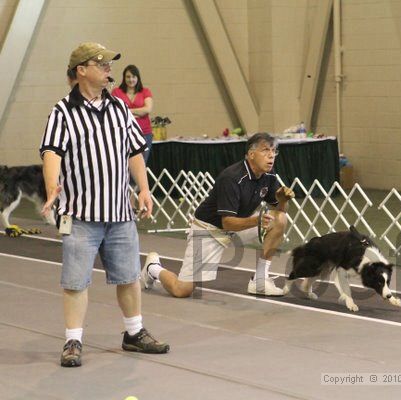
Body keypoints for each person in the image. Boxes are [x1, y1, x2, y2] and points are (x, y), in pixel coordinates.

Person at [40, 42, 169, 368]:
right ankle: (73, 340)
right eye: (101, 63)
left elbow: (135, 150)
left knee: (128, 277)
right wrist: (52, 187)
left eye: (109, 63)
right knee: (75, 282)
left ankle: (134, 333)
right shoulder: (62, 112)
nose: (109, 69)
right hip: (80, 215)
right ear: (81, 70)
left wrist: (143, 188)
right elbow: (52, 152)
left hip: (119, 214)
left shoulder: (119, 108)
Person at [141, 132, 295, 298]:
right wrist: (256, 221)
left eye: (274, 151)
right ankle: (153, 268)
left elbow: (280, 211)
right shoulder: (232, 177)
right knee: (182, 290)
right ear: (251, 154)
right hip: (209, 230)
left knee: (279, 219)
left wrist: (282, 201)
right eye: (265, 150)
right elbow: (227, 223)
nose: (271, 155)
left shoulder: (269, 175)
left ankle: (260, 280)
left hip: (240, 226)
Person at [111, 65, 154, 164]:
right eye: (128, 77)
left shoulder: (145, 91)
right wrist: (139, 113)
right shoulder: (116, 92)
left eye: (134, 77)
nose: (131, 79)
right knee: (125, 164)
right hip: (124, 133)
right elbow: (115, 111)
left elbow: (148, 109)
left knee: (141, 165)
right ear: (124, 78)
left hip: (144, 133)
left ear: (138, 78)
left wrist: (127, 111)